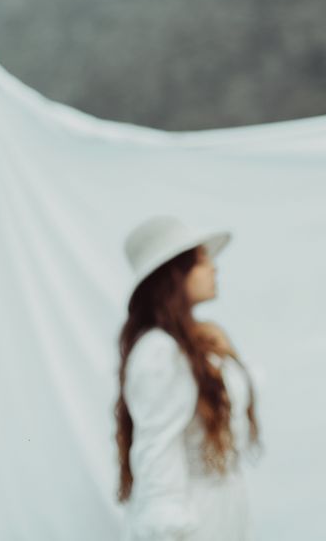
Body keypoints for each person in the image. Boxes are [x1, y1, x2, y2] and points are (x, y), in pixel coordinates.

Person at [115, 216, 260, 541]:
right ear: (174, 276)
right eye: (201, 260)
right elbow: (157, 453)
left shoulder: (199, 343)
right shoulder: (159, 352)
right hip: (194, 520)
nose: (214, 268)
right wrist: (170, 528)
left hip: (225, 511)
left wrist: (229, 352)